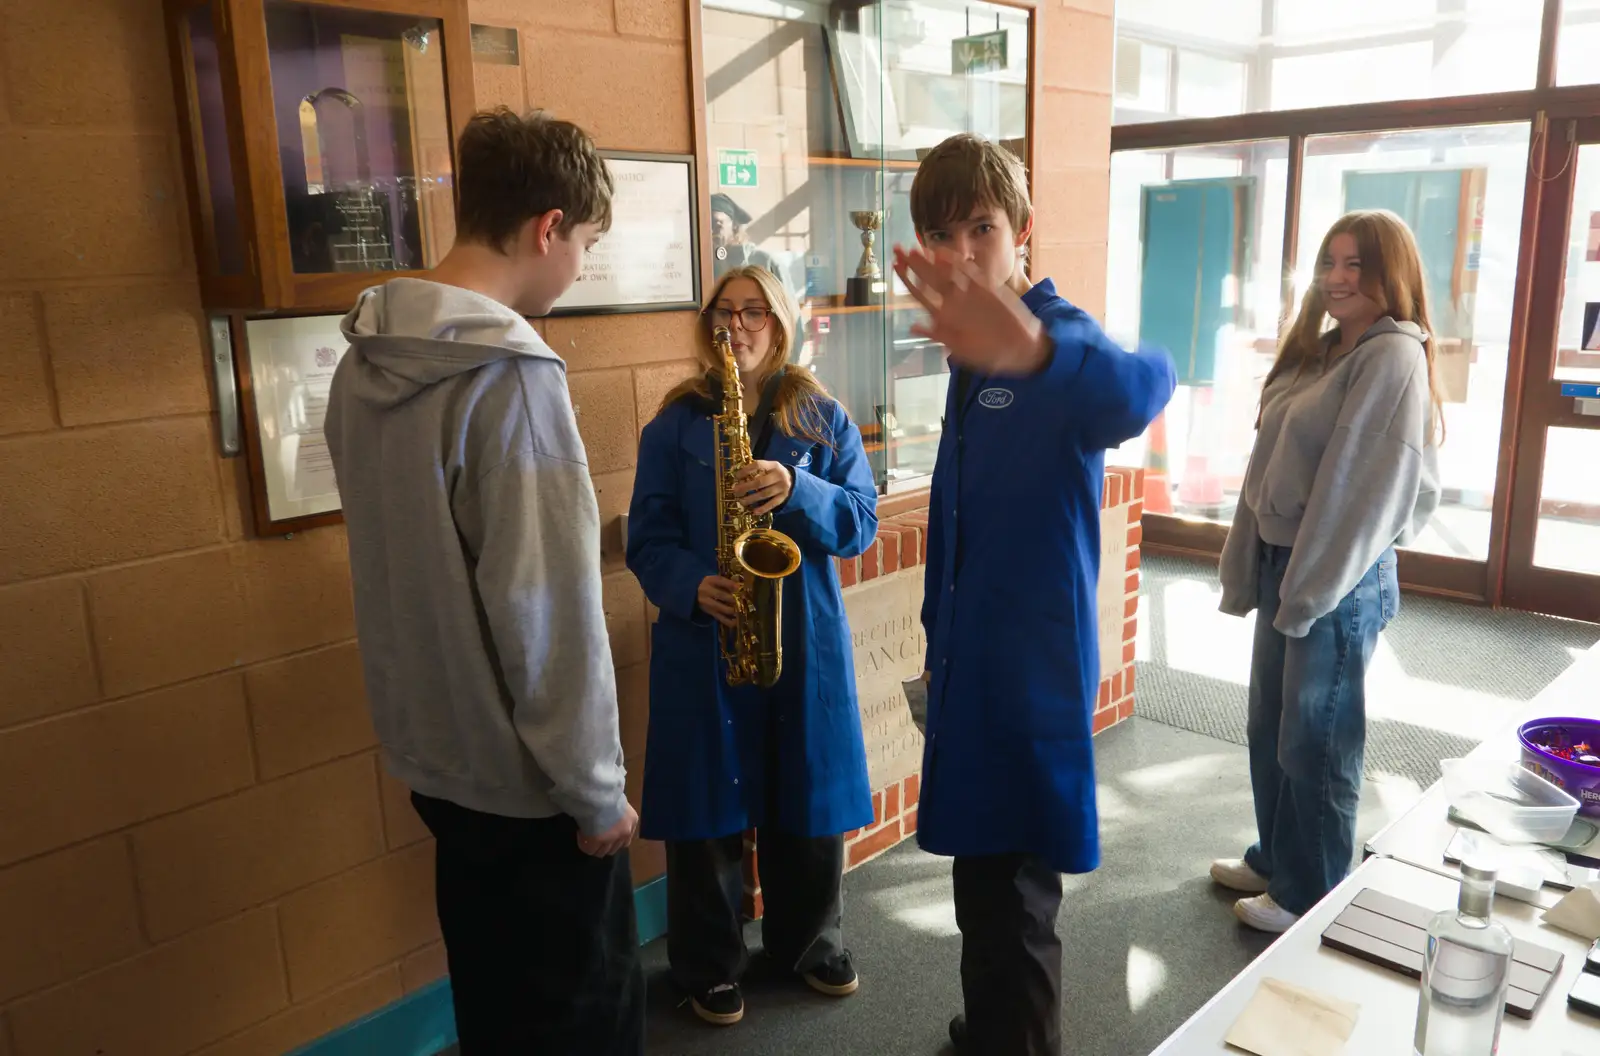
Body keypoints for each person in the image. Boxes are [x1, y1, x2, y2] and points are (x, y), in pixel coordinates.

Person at [324, 108, 643, 1055]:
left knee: (498, 1017)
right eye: (585, 245)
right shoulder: (512, 379)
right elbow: (547, 617)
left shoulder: (364, 358)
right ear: (548, 228)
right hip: (533, 794)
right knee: (581, 1027)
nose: (579, 267)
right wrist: (597, 794)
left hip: (436, 765)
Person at [893, 133, 1176, 1056]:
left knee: (1017, 896)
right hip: (969, 661)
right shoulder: (970, 356)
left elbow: (1145, 385)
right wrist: (937, 641)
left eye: (982, 227)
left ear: (1021, 229)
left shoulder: (1056, 333)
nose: (964, 253)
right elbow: (960, 523)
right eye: (943, 235)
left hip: (1030, 674)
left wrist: (1040, 352)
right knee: (980, 880)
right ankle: (990, 1028)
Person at [626, 264, 878, 1027]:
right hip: (708, 635)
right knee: (707, 807)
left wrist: (799, 489)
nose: (735, 326)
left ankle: (809, 943)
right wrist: (690, 585)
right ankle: (707, 963)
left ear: (781, 322)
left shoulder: (822, 417)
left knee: (806, 795)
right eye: (724, 312)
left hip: (801, 637)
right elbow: (648, 539)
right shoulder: (674, 423)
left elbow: (861, 521)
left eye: (753, 312)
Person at [1210, 209, 1442, 934]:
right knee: (1271, 726)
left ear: (1391, 275)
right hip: (1290, 561)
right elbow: (1268, 462)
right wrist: (1254, 562)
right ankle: (1279, 859)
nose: (1337, 278)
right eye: (1329, 263)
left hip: (1337, 571)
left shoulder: (1391, 355)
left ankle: (1308, 892)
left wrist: (1310, 587)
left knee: (1318, 736)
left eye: (1356, 265)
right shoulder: (1322, 350)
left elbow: (1360, 493)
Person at [710, 192, 781, 280]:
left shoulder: (763, 262)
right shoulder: (699, 264)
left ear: (734, 226)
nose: (710, 232)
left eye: (717, 225)